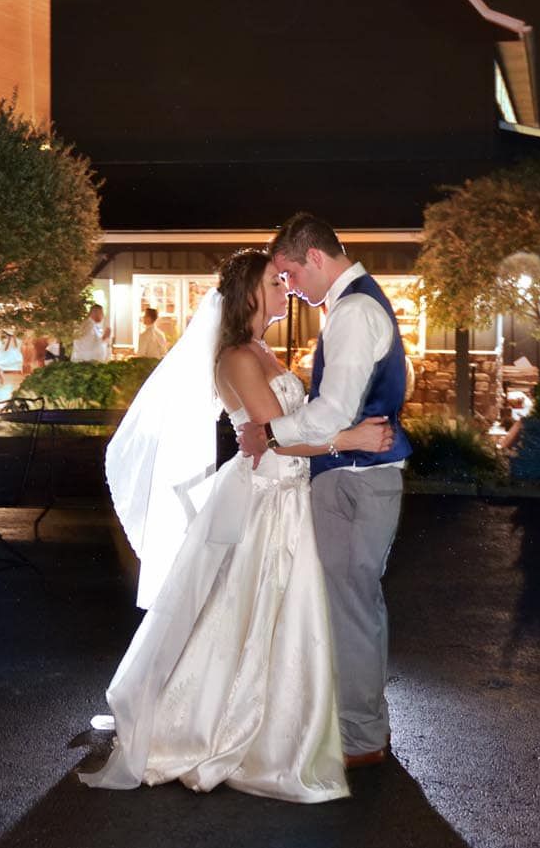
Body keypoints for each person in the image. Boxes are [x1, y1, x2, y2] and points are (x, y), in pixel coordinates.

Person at [84, 249, 394, 801]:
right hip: (266, 497)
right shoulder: (236, 358)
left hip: (288, 492)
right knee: (248, 614)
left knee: (280, 617)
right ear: (250, 293)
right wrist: (350, 440)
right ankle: (218, 730)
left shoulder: (262, 350)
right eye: (277, 282)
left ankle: (286, 725)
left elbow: (281, 428)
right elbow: (278, 432)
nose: (287, 289)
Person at [238, 213, 414, 771]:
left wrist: (269, 433)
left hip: (356, 481)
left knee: (350, 606)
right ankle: (355, 727)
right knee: (350, 603)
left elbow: (334, 409)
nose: (290, 287)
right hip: (353, 474)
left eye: (289, 274)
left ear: (313, 257)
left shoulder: (355, 311)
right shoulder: (354, 305)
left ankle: (360, 737)